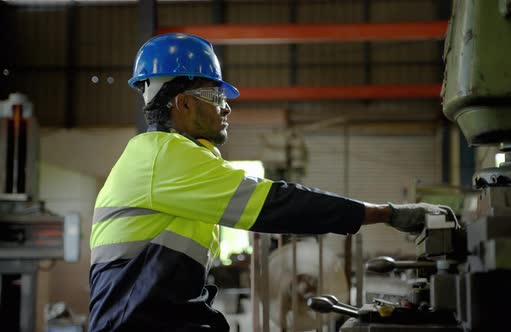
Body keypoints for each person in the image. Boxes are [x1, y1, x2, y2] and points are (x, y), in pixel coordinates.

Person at [88, 33, 447, 332]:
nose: (226, 107)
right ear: (181, 103)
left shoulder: (162, 158)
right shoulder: (164, 158)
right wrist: (386, 213)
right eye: (216, 96)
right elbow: (277, 204)